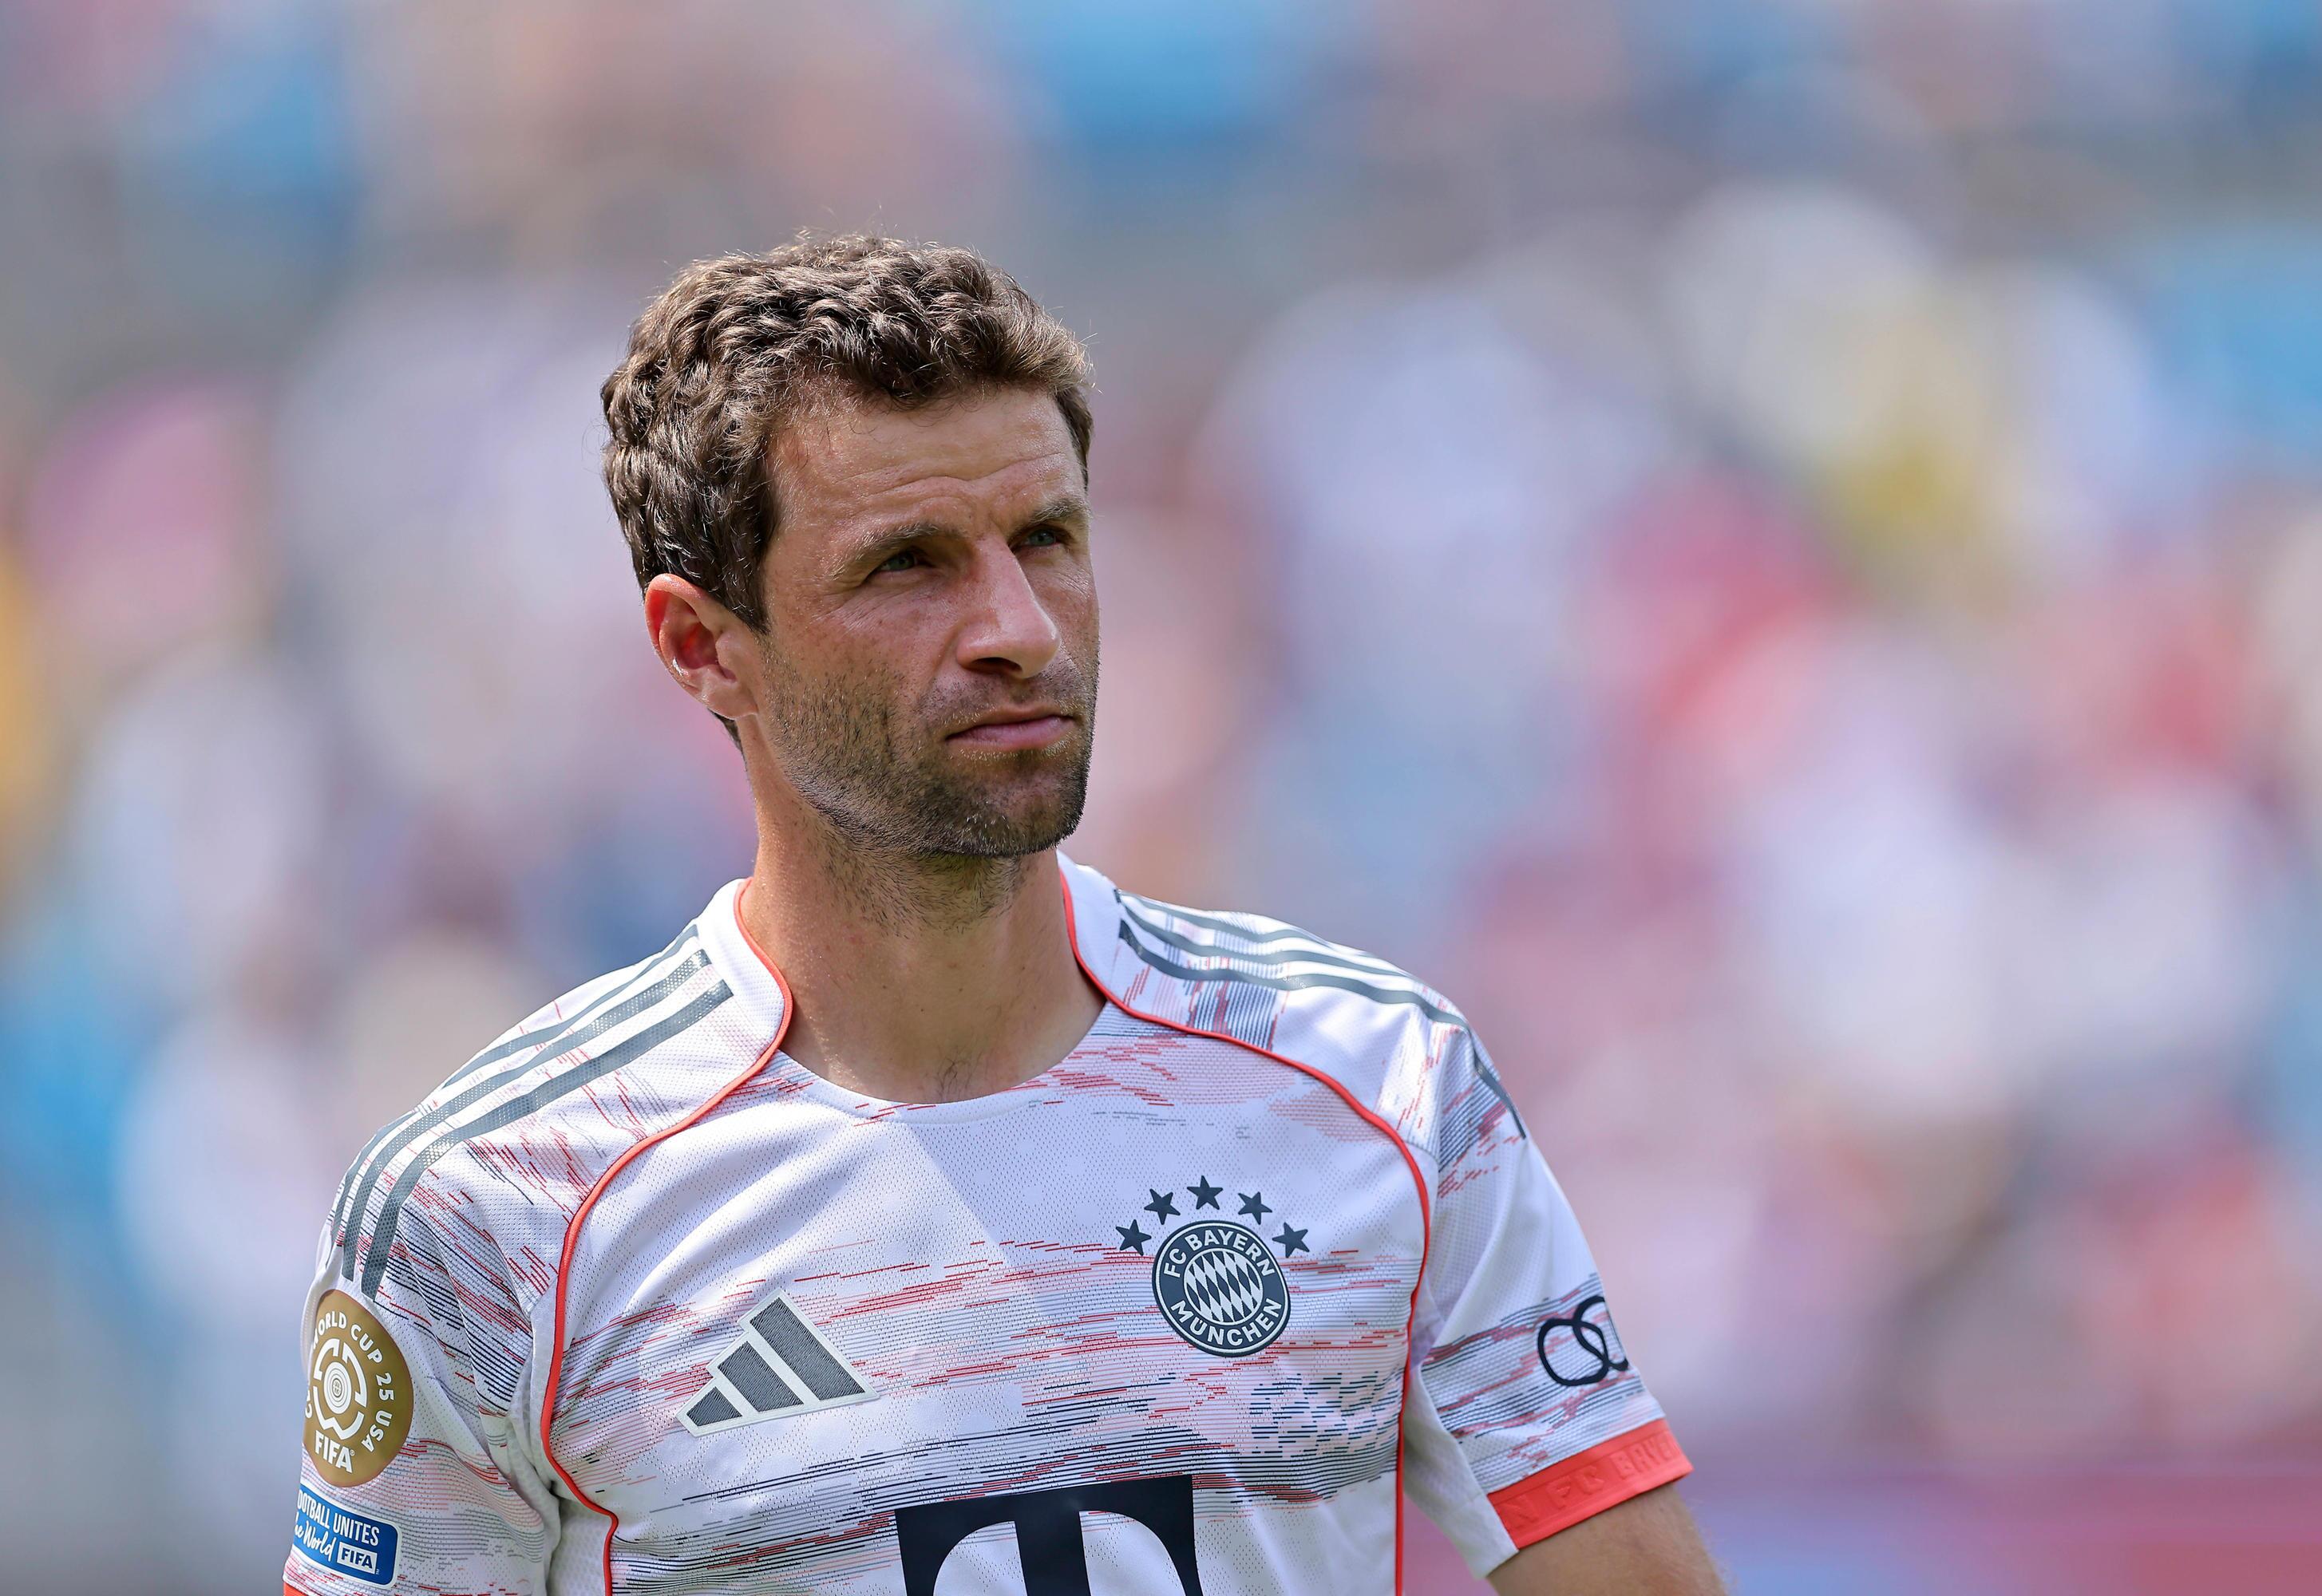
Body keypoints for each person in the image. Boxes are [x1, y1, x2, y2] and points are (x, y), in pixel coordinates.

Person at [283, 234, 1723, 1596]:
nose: (1018, 630)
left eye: (1046, 539)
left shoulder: (1380, 1084)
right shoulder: (496, 1209)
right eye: (907, 564)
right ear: (703, 645)